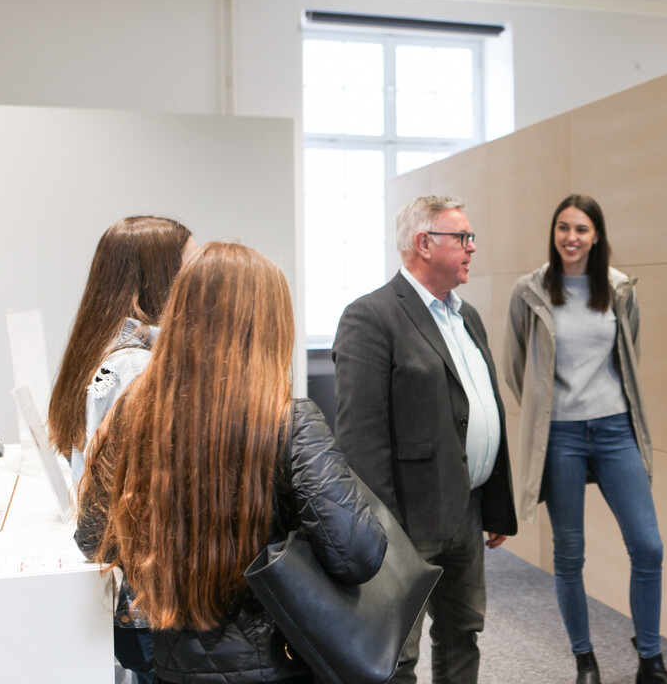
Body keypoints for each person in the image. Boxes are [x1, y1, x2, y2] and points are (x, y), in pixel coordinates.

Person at [75, 241, 388, 684]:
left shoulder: (131, 414)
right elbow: (358, 555)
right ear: (268, 327)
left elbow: (94, 539)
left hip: (172, 664)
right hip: (279, 663)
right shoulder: (290, 421)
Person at [333, 195, 517, 684]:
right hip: (407, 522)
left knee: (462, 634)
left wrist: (495, 504)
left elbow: (482, 410)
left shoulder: (467, 316)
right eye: (462, 238)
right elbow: (359, 440)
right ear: (424, 243)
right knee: (398, 652)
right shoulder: (371, 316)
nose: (472, 248)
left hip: (467, 508)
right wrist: (382, 530)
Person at [504, 195, 667, 684]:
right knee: (570, 553)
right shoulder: (531, 290)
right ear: (554, 233)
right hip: (560, 434)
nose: (571, 238)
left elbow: (630, 353)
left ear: (596, 235)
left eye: (581, 229)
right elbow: (516, 366)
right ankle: (585, 660)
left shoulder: (620, 289)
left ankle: (650, 659)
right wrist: (547, 409)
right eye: (563, 228)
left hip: (616, 429)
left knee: (648, 546)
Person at [48, 215, 194, 684]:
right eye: (190, 266)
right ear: (161, 277)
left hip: (138, 597)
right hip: (151, 600)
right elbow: (139, 495)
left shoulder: (113, 351)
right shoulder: (134, 365)